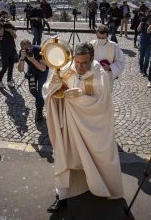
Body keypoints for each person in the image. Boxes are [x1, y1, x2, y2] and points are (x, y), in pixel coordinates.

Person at [42, 42, 124, 213]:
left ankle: (99, 187)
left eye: (84, 63)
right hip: (69, 127)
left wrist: (80, 97)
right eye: (77, 62)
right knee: (64, 158)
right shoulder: (66, 68)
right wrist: (54, 85)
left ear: (92, 59)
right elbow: (49, 91)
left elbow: (102, 106)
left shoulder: (100, 75)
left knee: (95, 159)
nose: (79, 67)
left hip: (91, 131)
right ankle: (62, 196)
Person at [17, 39, 48, 120]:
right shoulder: (22, 52)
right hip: (32, 71)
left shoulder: (38, 50)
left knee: (41, 91)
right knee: (32, 90)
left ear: (31, 46)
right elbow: (20, 70)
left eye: (28, 49)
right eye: (24, 49)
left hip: (42, 72)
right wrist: (22, 58)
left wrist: (32, 59)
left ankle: (39, 109)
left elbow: (43, 68)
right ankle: (39, 100)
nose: (27, 51)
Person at [90, 25, 126, 90]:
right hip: (93, 75)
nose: (100, 39)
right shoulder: (91, 45)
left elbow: (120, 61)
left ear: (107, 36)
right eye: (98, 37)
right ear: (96, 35)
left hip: (107, 76)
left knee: (106, 96)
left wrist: (110, 67)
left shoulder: (114, 46)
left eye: (103, 38)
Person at [0, 11, 17, 88]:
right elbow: (0, 37)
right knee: (5, 67)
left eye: (6, 18)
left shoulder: (11, 26)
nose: (6, 19)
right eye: (4, 17)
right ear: (1, 18)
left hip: (12, 48)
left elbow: (15, 36)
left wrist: (10, 30)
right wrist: (2, 27)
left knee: (11, 66)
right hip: (4, 50)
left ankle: (9, 80)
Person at [137, 9, 151, 76]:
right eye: (148, 15)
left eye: (150, 15)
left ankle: (145, 70)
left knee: (147, 58)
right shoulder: (143, 22)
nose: (149, 17)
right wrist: (141, 23)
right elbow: (138, 30)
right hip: (142, 42)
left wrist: (150, 24)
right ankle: (141, 68)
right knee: (141, 57)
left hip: (149, 43)